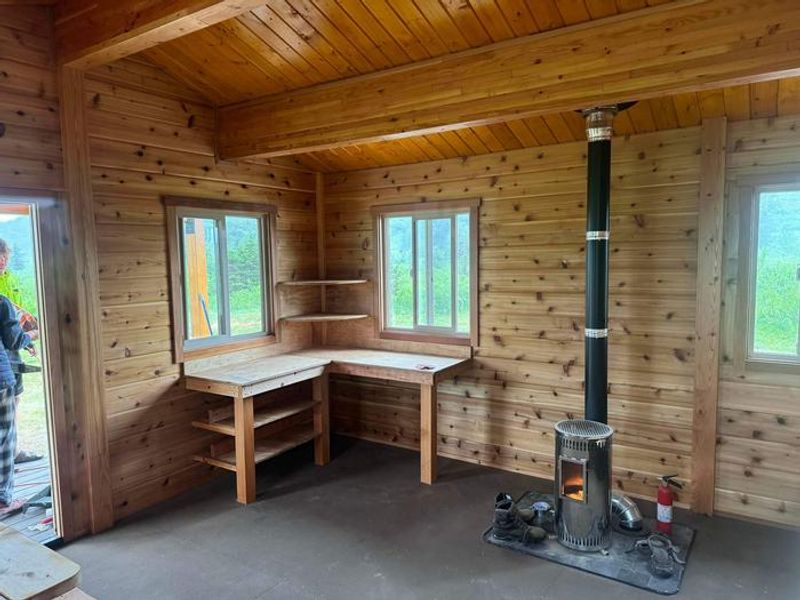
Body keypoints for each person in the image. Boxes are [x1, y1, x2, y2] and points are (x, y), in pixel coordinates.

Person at [0, 239, 41, 464]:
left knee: (15, 400)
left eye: (6, 257)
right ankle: (9, 454)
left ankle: (13, 451)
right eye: (3, 256)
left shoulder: (11, 280)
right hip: (5, 353)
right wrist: (30, 336)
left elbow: (18, 316)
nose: (5, 261)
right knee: (8, 403)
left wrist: (25, 339)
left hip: (14, 347)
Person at [0, 294, 35, 516]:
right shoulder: (2, 302)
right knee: (5, 437)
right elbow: (14, 340)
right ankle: (3, 501)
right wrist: (32, 334)